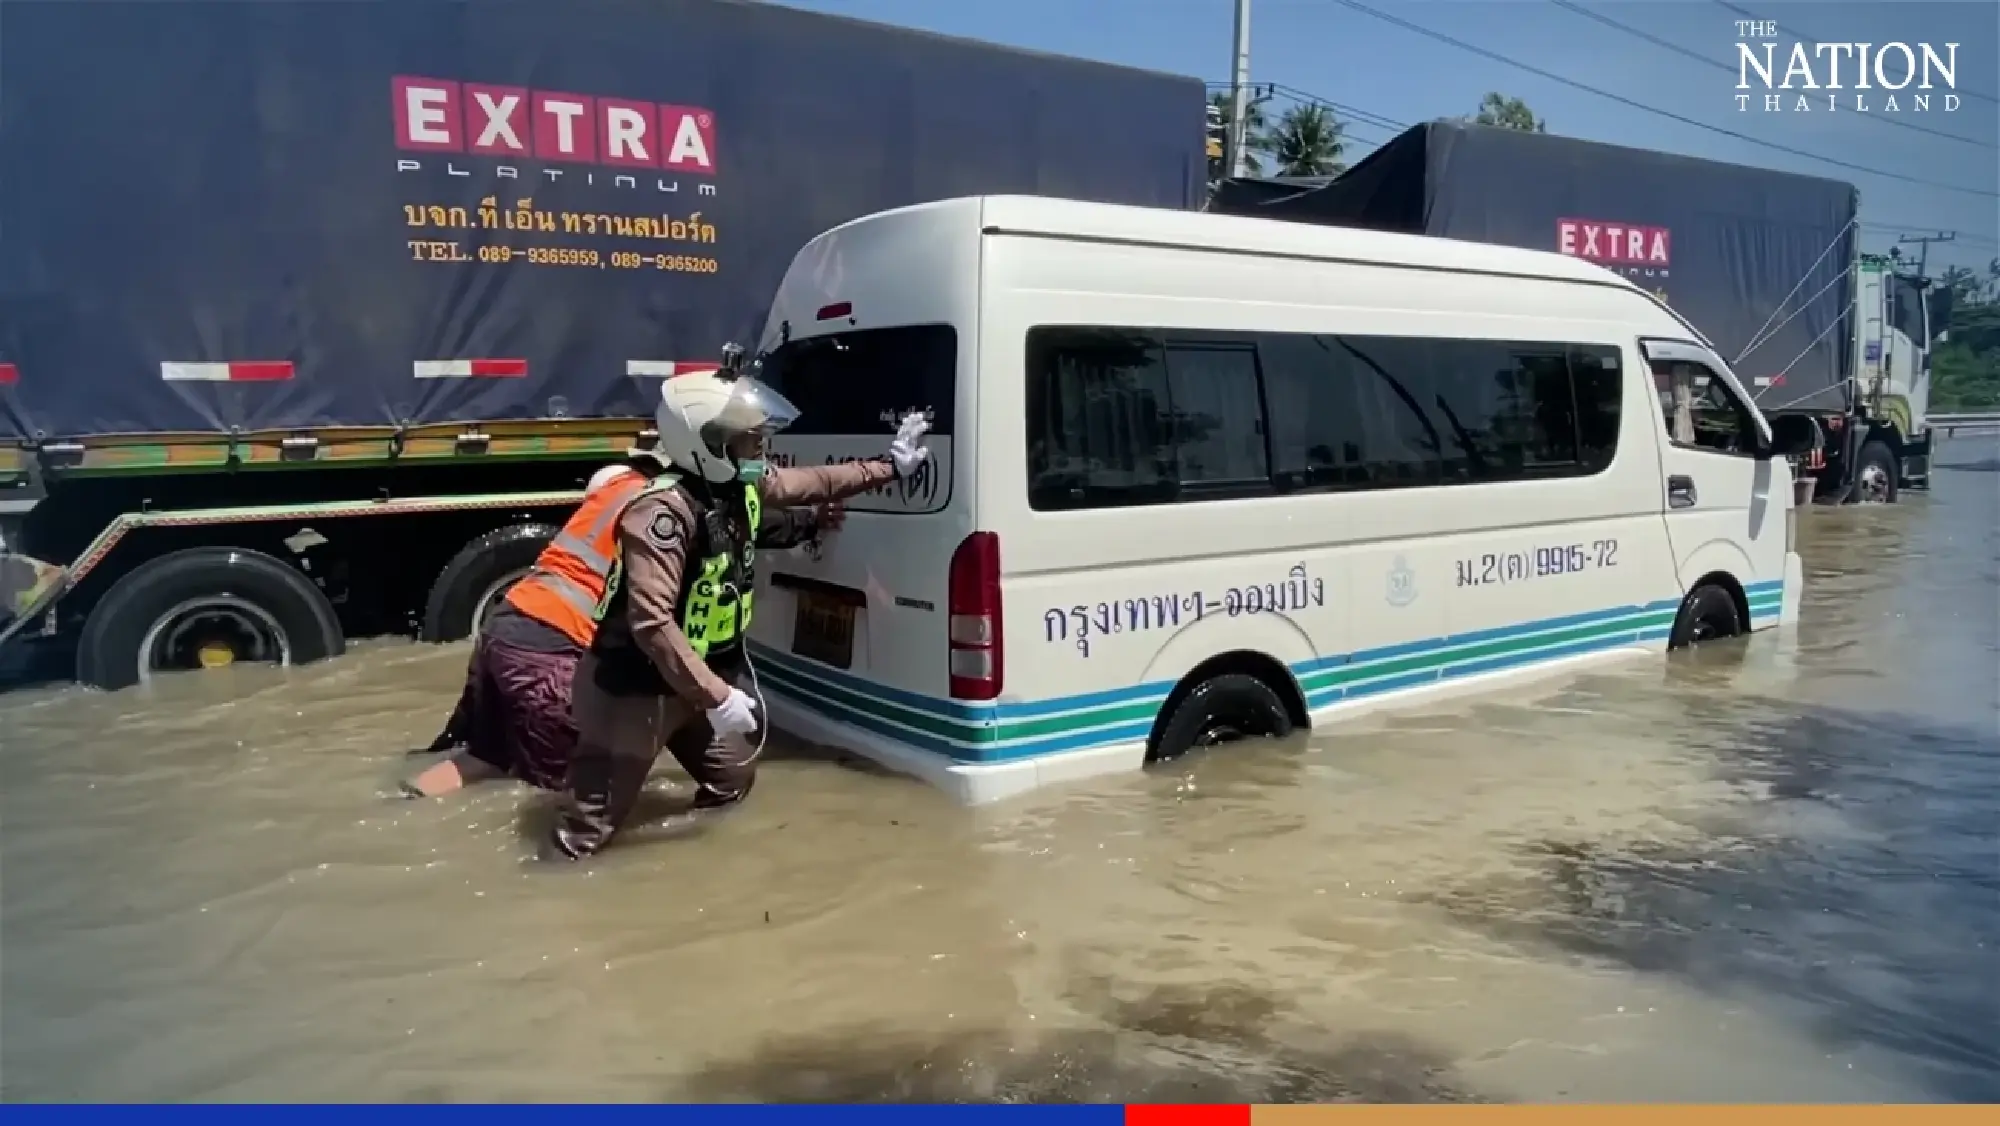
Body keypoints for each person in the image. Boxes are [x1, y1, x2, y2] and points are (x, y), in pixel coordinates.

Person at [551, 353, 930, 859]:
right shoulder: (661, 512)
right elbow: (652, 622)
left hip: (701, 678)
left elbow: (809, 483)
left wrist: (889, 467)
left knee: (731, 780)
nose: (762, 445)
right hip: (636, 690)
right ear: (709, 442)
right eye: (750, 436)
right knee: (584, 835)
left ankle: (695, 871)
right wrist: (718, 697)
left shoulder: (735, 484)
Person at [404, 459, 845, 799]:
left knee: (489, 757)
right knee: (582, 788)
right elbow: (734, 529)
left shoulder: (612, 494)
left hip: (503, 631)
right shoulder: (663, 503)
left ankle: (403, 799)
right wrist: (811, 520)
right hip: (552, 650)